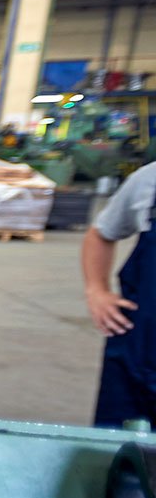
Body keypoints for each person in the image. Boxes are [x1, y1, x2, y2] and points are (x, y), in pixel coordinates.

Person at [83, 161, 156, 425]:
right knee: (118, 453)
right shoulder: (149, 180)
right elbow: (101, 234)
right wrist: (97, 290)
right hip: (141, 357)